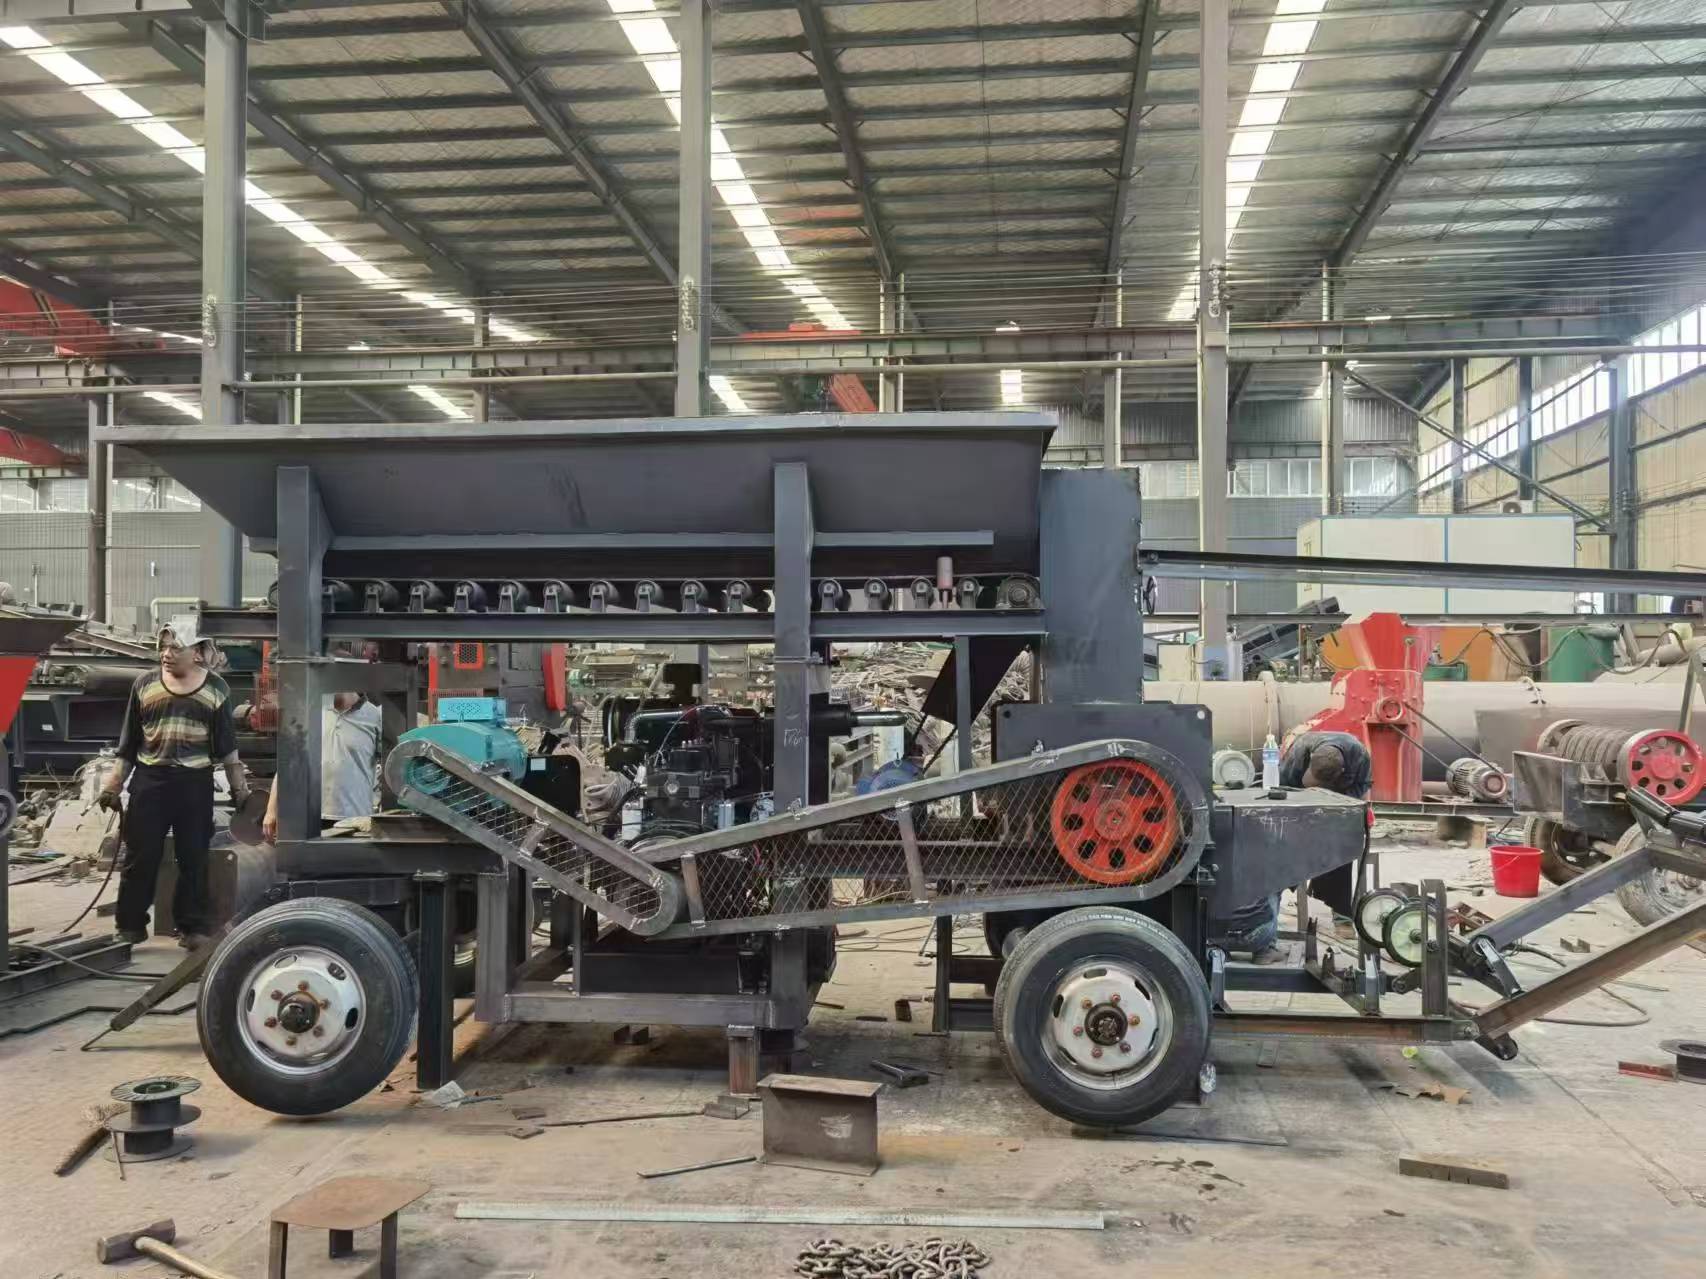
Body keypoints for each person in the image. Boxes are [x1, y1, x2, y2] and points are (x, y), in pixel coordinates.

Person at [98, 620, 249, 948]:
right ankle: (130, 925)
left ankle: (192, 927)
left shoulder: (216, 689)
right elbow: (128, 744)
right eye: (164, 647)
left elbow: (227, 748)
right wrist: (113, 785)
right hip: (150, 781)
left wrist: (239, 790)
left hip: (194, 784)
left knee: (193, 858)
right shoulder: (144, 685)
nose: (166, 654)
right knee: (140, 855)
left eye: (175, 648)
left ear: (196, 652)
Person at [1214, 730, 1373, 960]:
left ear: (1341, 772)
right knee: (1283, 862)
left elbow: (1361, 791)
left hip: (1336, 804)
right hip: (1301, 808)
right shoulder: (1302, 749)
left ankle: (1342, 916)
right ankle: (1265, 946)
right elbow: (1282, 790)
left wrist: (1340, 811)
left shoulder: (1359, 756)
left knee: (1341, 850)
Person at [261, 691, 383, 842]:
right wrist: (271, 810)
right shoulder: (310, 712)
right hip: (309, 819)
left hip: (355, 823)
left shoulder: (375, 716)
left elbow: (389, 769)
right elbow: (288, 764)